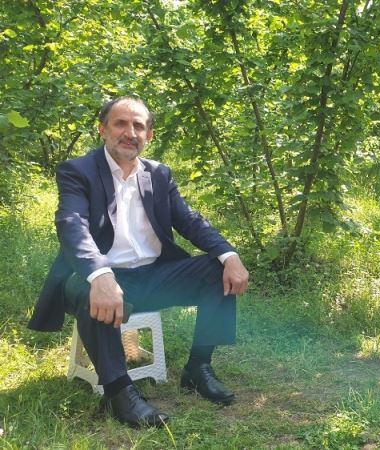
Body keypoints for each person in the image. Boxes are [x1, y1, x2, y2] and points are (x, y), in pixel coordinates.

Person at [28, 96, 250, 428]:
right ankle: (119, 393)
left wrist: (229, 255)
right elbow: (72, 225)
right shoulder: (78, 171)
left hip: (153, 276)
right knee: (90, 288)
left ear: (149, 135)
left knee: (218, 270)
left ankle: (198, 368)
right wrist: (100, 274)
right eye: (120, 123)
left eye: (138, 126)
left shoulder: (158, 174)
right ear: (103, 129)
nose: (130, 133)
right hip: (100, 278)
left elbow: (189, 220)